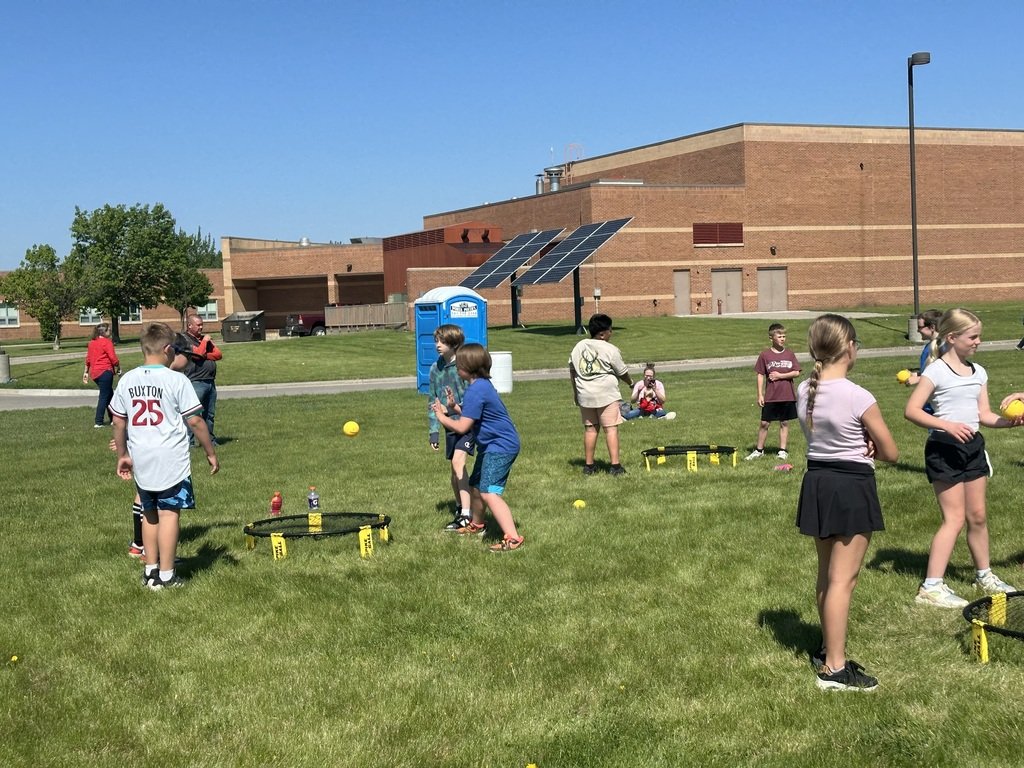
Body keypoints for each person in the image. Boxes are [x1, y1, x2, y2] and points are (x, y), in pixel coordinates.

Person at [797, 315, 898, 692]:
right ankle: (835, 670)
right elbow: (891, 452)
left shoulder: (804, 389)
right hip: (850, 486)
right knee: (843, 580)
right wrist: (870, 445)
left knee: (827, 575)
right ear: (850, 347)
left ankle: (828, 649)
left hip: (817, 481)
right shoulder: (858, 395)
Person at [904, 308, 1020, 608]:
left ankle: (984, 575)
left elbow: (984, 415)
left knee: (978, 516)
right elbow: (912, 410)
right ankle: (931, 587)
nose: (979, 341)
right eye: (973, 337)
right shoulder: (935, 371)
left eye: (979, 336)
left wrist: (1008, 423)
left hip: (973, 448)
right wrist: (947, 425)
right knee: (954, 519)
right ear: (953, 337)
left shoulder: (979, 372)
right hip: (944, 449)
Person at [110, 322, 219, 589]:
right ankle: (168, 575)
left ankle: (150, 571)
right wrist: (210, 452)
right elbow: (195, 421)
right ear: (168, 349)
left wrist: (122, 453)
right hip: (171, 459)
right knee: (169, 513)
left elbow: (119, 421)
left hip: (141, 457)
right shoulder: (177, 380)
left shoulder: (127, 380)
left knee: (149, 513)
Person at [431, 343, 523, 552]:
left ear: (467, 368)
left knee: (489, 492)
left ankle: (513, 538)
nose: (456, 368)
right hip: (492, 445)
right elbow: (473, 411)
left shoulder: (476, 390)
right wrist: (455, 407)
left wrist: (441, 417)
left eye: (459, 365)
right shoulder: (481, 385)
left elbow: (462, 427)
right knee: (475, 486)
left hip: (500, 446)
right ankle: (477, 525)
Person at [569, 314, 634, 476]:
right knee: (610, 429)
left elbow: (572, 370)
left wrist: (576, 393)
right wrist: (631, 383)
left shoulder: (579, 346)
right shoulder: (610, 349)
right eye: (610, 330)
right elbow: (622, 372)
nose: (611, 333)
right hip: (606, 394)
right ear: (603, 334)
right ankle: (615, 466)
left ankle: (589, 466)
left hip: (585, 393)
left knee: (590, 429)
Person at [426, 324, 475, 531]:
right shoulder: (435, 368)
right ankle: (459, 507)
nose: (437, 345)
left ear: (454, 344)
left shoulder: (464, 366)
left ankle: (467, 515)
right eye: (436, 341)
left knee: (458, 463)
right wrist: (434, 431)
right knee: (454, 471)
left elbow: (474, 398)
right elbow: (432, 401)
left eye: (442, 341)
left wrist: (453, 408)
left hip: (468, 423)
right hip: (449, 425)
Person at [746, 323, 801, 461]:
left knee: (784, 422)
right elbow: (760, 374)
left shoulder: (789, 354)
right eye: (779, 336)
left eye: (784, 336)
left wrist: (780, 376)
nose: (782, 339)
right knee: (764, 423)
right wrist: (760, 394)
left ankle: (782, 451)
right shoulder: (765, 355)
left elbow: (796, 372)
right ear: (771, 338)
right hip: (771, 396)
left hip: (787, 395)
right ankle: (759, 450)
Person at [175, 313, 222, 445]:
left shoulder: (202, 339)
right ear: (190, 325)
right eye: (198, 325)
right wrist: (205, 343)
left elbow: (218, 354)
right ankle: (189, 442)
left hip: (210, 381)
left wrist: (204, 354)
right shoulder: (185, 339)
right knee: (192, 413)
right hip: (196, 381)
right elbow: (197, 354)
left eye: (202, 325)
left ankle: (210, 440)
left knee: (209, 414)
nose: (201, 327)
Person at [83, 322, 120, 428]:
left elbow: (88, 359)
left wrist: (86, 372)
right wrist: (118, 366)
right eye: (109, 330)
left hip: (95, 373)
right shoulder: (107, 342)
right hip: (105, 372)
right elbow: (113, 358)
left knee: (110, 395)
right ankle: (98, 421)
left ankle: (113, 418)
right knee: (104, 396)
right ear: (104, 332)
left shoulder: (92, 343)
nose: (110, 331)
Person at [906, 309, 943, 388]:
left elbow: (943, 374)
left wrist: (919, 379)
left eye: (920, 327)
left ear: (932, 327)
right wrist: (915, 374)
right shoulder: (929, 346)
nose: (917, 330)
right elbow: (929, 371)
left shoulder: (942, 347)